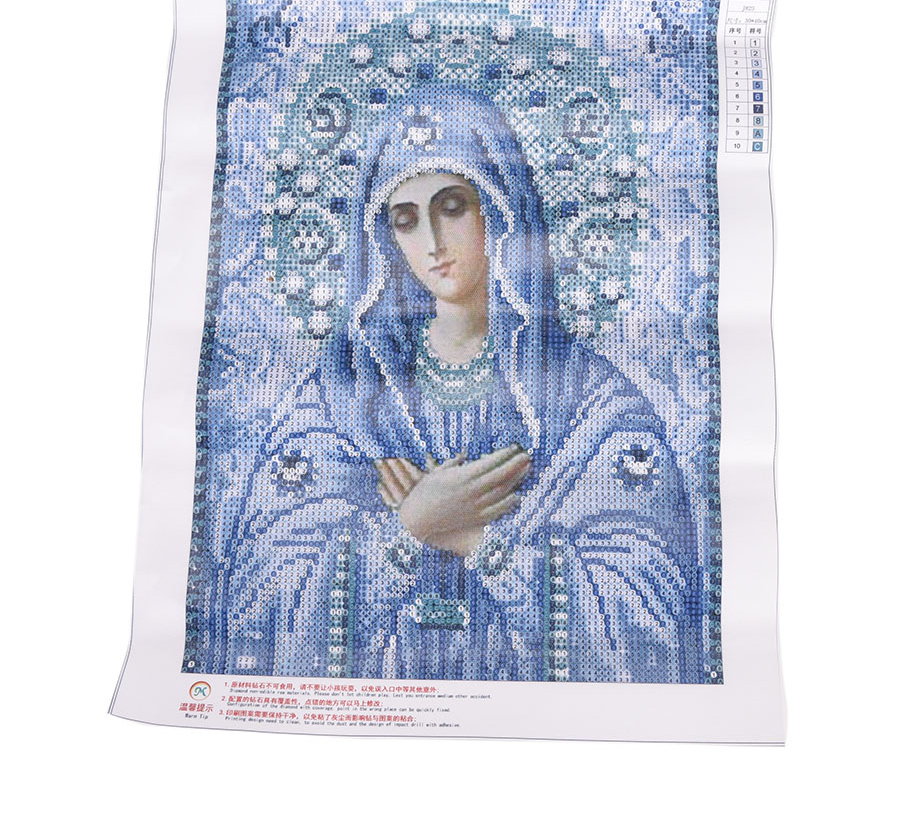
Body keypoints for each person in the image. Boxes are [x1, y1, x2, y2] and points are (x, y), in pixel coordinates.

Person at [217, 84, 704, 683]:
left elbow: (652, 622)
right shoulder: (343, 397)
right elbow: (261, 607)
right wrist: (409, 530)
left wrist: (474, 538)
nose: (432, 244)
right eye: (405, 221)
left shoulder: (588, 401)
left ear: (499, 211)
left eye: (452, 207)